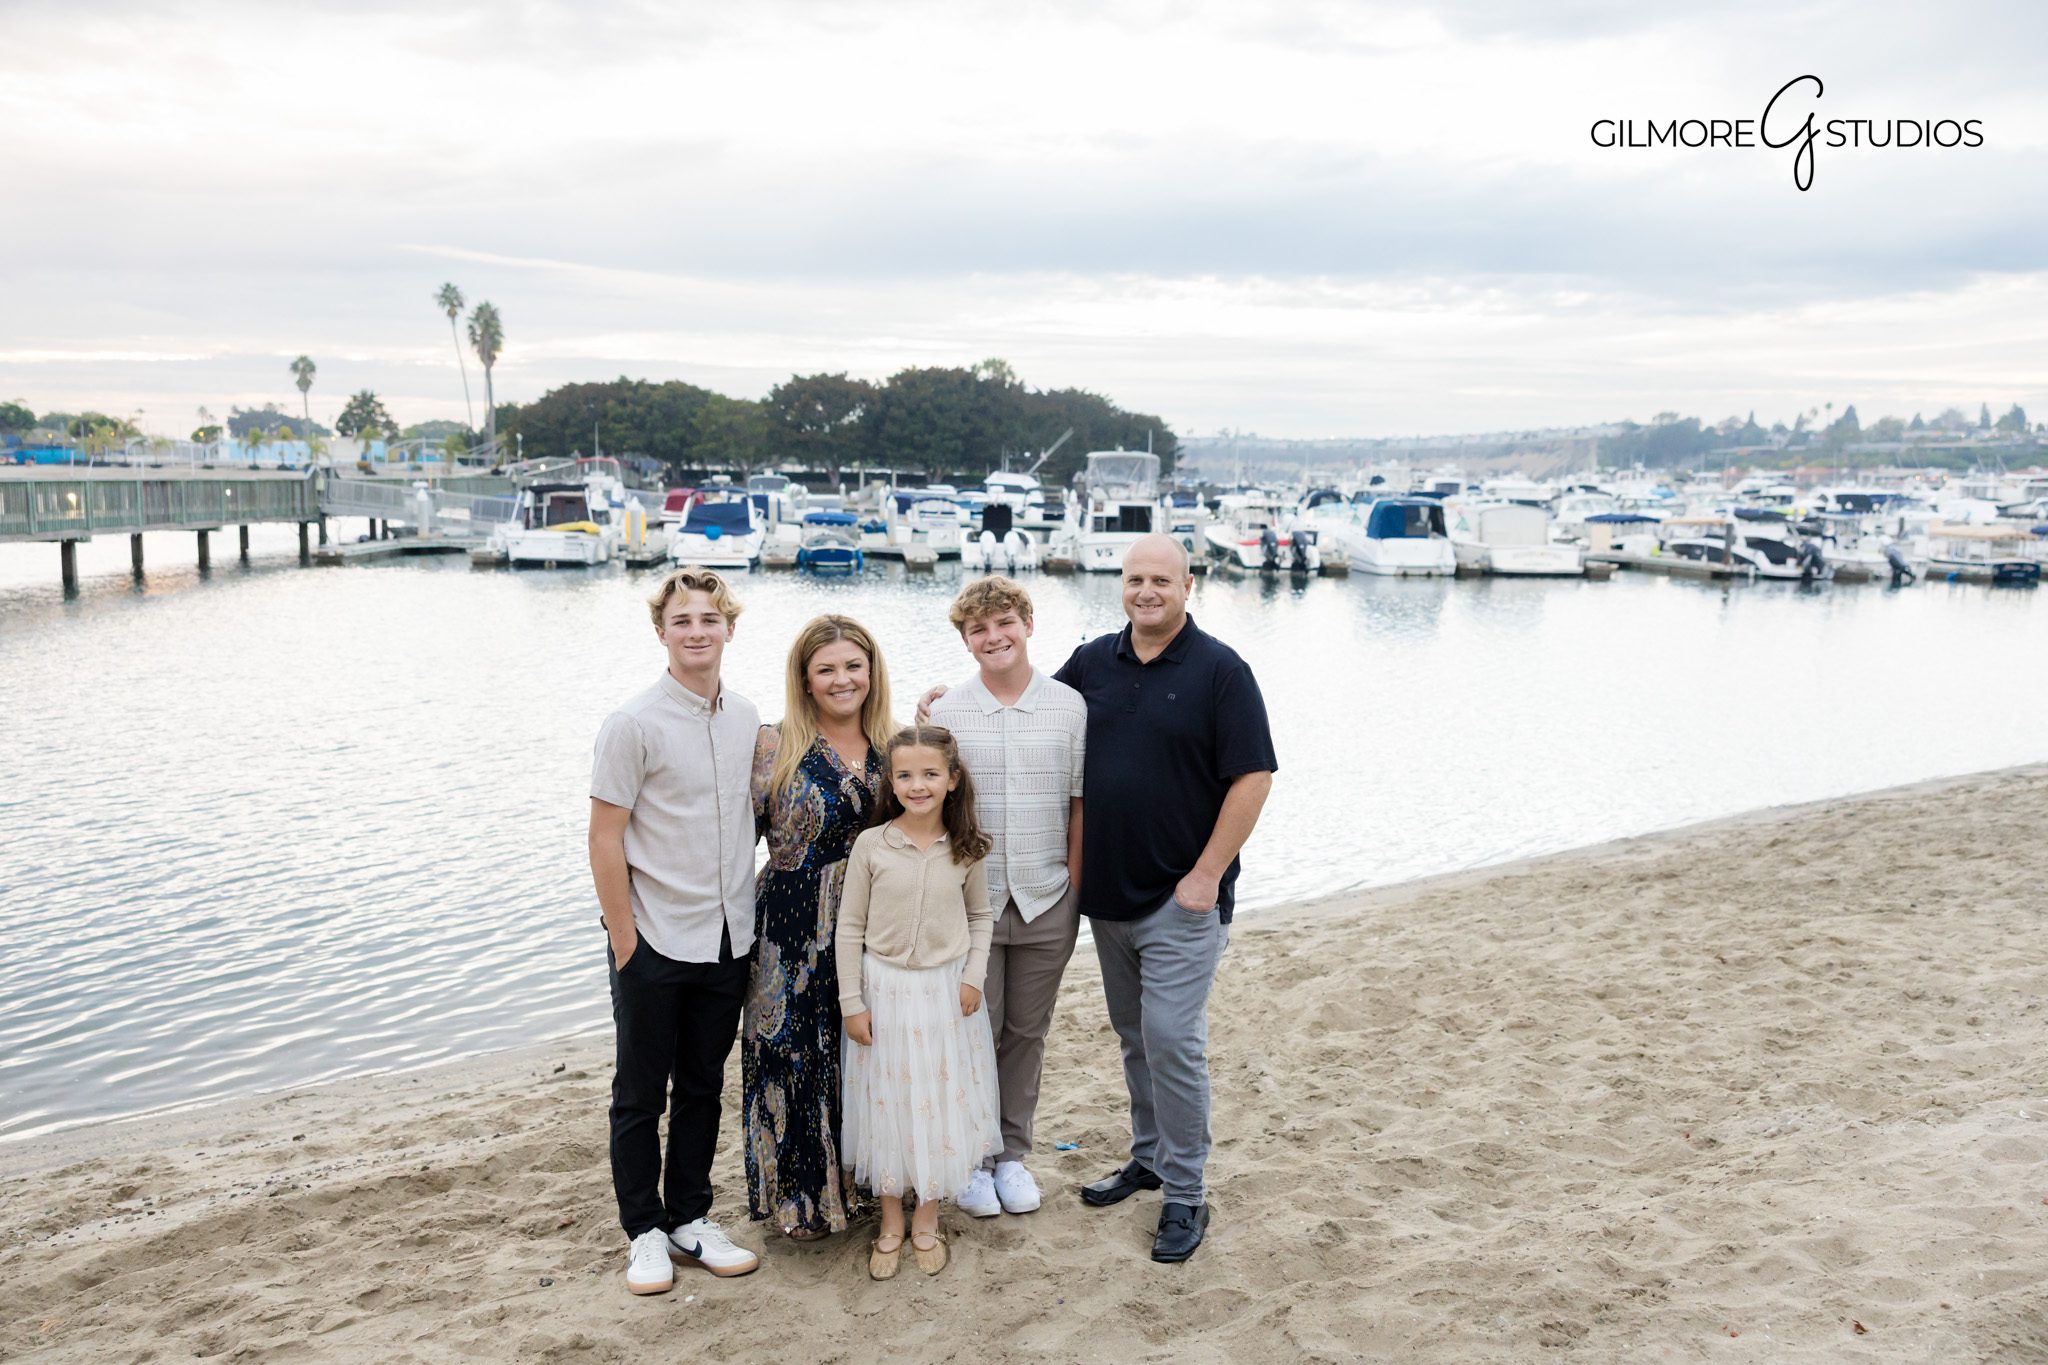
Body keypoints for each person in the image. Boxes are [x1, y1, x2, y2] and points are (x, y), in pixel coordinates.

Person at [1057, 534, 1275, 1264]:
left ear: (1189, 585)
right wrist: (945, 702)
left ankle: (1185, 1190)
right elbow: (1030, 712)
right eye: (1134, 578)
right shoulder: (1093, 660)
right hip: (1108, 895)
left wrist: (1208, 872)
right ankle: (1148, 1157)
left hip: (1183, 899)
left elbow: (1253, 778)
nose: (1146, 590)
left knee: (1174, 1040)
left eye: (1161, 579)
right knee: (1134, 1034)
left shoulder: (1221, 671)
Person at [589, 566, 762, 1297]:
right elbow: (603, 838)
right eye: (682, 620)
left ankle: (691, 1214)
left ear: (729, 627)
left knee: (702, 1084)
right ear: (661, 632)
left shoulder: (748, 716)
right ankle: (645, 1231)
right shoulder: (632, 723)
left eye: (709, 618)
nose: (697, 631)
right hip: (653, 938)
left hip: (728, 939)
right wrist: (626, 941)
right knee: (639, 1095)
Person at [928, 576, 1086, 1219]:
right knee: (974, 1032)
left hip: (1048, 896)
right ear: (966, 641)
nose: (994, 637)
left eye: (1005, 623)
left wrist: (1074, 885)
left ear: (1027, 624)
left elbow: (1079, 803)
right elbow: (929, 802)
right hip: (975, 904)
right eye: (978, 629)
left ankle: (1013, 1155)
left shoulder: (1069, 707)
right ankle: (974, 1159)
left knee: (1026, 1032)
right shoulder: (947, 714)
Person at [743, 615, 895, 1240]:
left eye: (853, 666)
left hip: (871, 924)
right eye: (826, 669)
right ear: (805, 679)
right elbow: (731, 840)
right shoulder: (772, 746)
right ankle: (798, 1202)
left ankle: (863, 1187)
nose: (842, 680)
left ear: (871, 671)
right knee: (791, 1054)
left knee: (863, 1055)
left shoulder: (894, 746)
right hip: (788, 923)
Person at [836, 725, 1001, 1279]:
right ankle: (890, 1222)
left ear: (952, 780)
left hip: (943, 992)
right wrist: (851, 1001)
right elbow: (848, 928)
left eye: (930, 774)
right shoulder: (872, 845)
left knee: (936, 1099)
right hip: (883, 991)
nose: (917, 785)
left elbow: (981, 917)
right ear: (891, 780)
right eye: (904, 774)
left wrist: (973, 977)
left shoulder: (968, 848)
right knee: (886, 1102)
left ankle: (926, 1217)